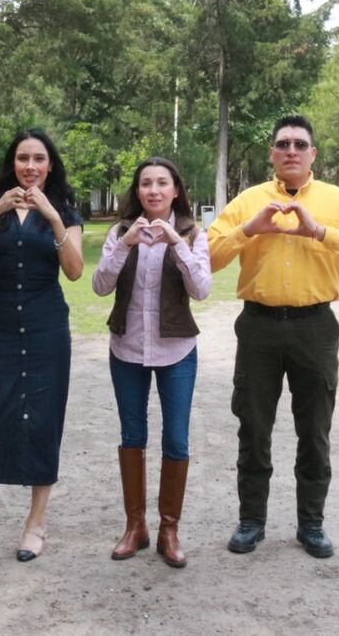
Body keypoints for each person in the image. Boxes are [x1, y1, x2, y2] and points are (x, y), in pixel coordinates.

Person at [207, 115, 339, 558]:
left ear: (313, 155)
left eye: (300, 144)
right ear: (271, 153)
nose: (291, 151)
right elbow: (207, 257)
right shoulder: (249, 201)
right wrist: (249, 229)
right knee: (253, 427)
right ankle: (251, 520)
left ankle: (311, 523)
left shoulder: (338, 201)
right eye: (283, 144)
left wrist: (320, 232)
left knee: (315, 429)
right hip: (259, 327)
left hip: (315, 328)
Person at [0, 128, 83, 562]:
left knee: (44, 418)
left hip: (47, 327)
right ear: (12, 163)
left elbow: (75, 271)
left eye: (38, 159)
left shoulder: (65, 210)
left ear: (50, 165)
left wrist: (53, 218)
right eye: (22, 158)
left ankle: (36, 523)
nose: (30, 166)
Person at [92, 157, 211, 568]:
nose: (154, 190)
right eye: (146, 183)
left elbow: (202, 290)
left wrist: (176, 244)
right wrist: (125, 245)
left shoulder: (193, 233)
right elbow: (99, 285)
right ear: (137, 191)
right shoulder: (120, 232)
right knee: (132, 435)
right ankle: (135, 526)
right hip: (126, 348)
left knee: (176, 439)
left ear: (175, 191)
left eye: (162, 183)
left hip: (176, 350)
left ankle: (169, 530)